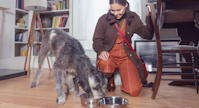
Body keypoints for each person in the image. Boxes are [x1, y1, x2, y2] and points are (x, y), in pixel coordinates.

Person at [92, 0, 154, 97]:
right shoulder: (103, 19)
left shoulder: (133, 18)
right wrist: (101, 51)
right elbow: (97, 40)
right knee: (106, 65)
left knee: (134, 91)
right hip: (109, 56)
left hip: (126, 57)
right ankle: (110, 76)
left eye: (118, 10)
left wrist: (149, 17)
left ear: (125, 5)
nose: (116, 13)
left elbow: (148, 35)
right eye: (112, 10)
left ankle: (123, 79)